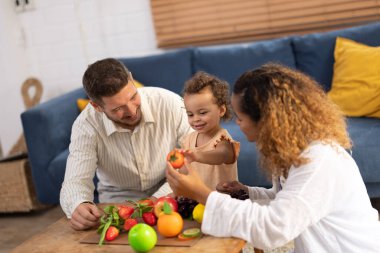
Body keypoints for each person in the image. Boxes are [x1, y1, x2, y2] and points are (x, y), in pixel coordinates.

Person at [166, 64, 380, 252]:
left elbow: (274, 228)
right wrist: (248, 192)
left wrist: (202, 194)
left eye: (240, 117)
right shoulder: (297, 151)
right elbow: (289, 199)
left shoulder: (318, 162)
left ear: (268, 121)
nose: (237, 124)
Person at [60, 58, 192, 230]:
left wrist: (156, 199)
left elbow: (194, 162)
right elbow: (75, 180)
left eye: (133, 97)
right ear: (96, 106)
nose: (132, 111)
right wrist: (78, 204)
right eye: (117, 109)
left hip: (169, 187)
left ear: (131, 78)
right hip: (118, 199)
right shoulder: (85, 126)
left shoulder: (170, 104)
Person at [179, 72, 240, 190]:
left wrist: (196, 155)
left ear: (221, 110)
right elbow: (184, 171)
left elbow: (220, 155)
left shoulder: (223, 140)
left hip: (222, 202)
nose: (196, 119)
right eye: (190, 114)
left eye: (202, 113)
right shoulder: (189, 139)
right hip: (198, 202)